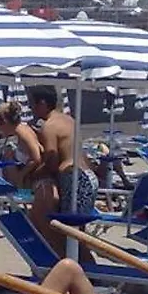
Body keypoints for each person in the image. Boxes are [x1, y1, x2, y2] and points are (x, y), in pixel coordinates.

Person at [25, 86, 98, 257]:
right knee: (75, 232)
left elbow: (51, 159)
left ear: (42, 103)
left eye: (33, 105)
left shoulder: (49, 126)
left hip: (75, 179)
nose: (32, 110)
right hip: (88, 178)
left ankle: (87, 271)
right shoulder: (69, 120)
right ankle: (83, 268)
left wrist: (32, 175)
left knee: (70, 233)